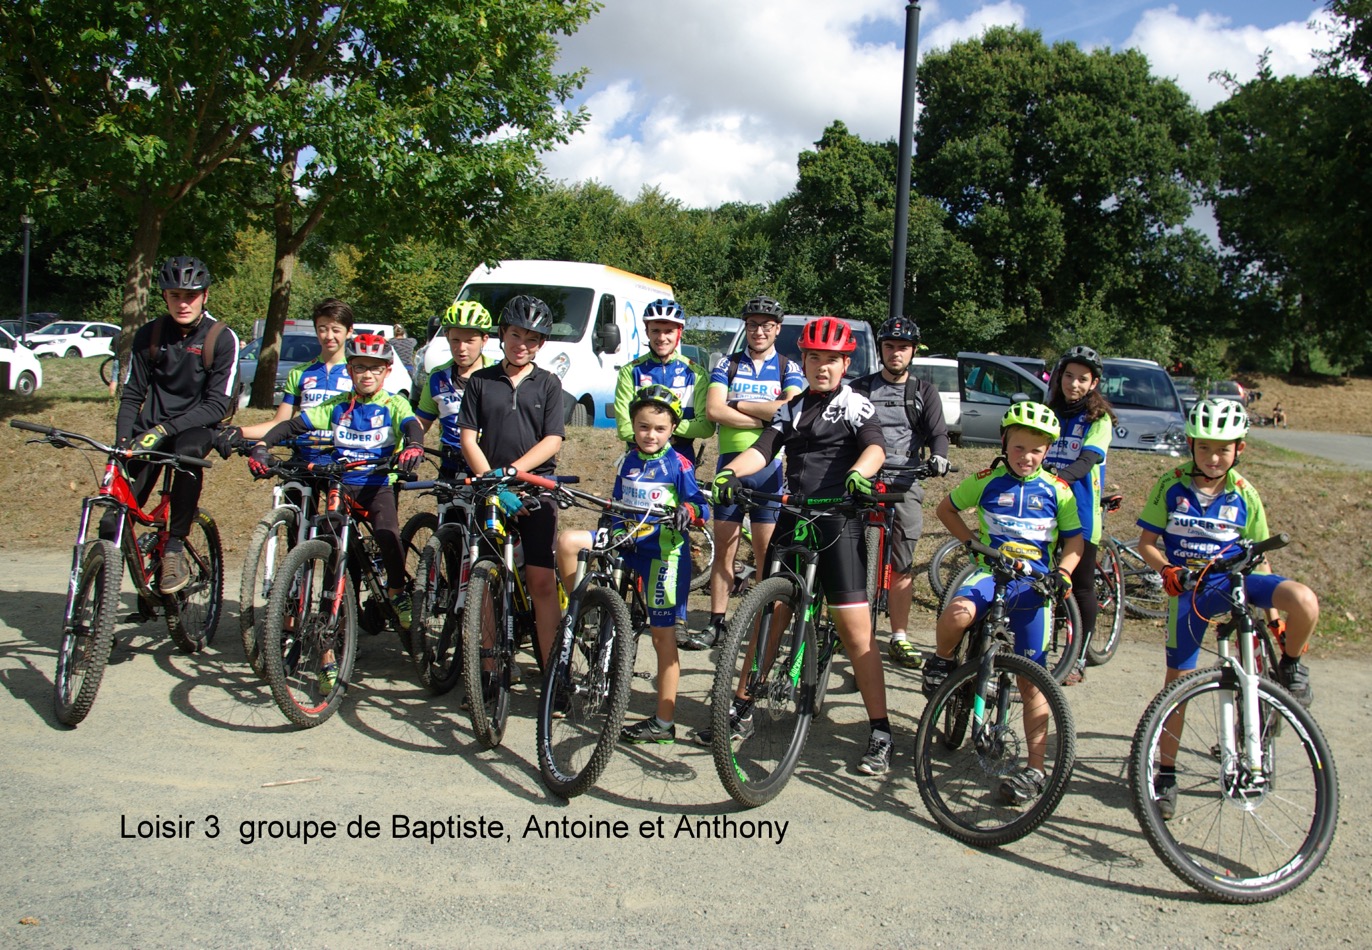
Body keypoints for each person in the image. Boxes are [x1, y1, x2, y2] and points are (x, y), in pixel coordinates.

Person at [706, 316, 894, 775]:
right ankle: (741, 705)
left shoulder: (855, 405)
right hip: (794, 517)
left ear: (845, 364)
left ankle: (880, 731)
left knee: (856, 633)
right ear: (803, 361)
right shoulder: (791, 406)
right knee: (769, 615)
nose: (822, 367)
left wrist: (860, 473)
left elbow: (875, 448)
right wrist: (730, 472)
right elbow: (764, 449)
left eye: (832, 360)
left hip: (837, 522)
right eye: (814, 358)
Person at [1136, 398, 1318, 819]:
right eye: (1204, 448)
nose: (1213, 457)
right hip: (1192, 588)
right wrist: (1166, 570)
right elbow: (1147, 543)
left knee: (1305, 601)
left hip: (1238, 581)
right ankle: (1166, 773)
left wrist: (1275, 621)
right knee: (1177, 685)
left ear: (1240, 449)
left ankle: (1290, 665)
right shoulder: (1170, 484)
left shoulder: (1245, 492)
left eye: (1223, 449)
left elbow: (1261, 556)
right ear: (1191, 446)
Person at [923, 401, 1084, 804]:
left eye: (1036, 450)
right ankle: (941, 661)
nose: (1026, 457)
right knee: (958, 613)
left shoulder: (1058, 490)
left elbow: (1075, 542)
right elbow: (946, 509)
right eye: (1018, 447)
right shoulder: (987, 479)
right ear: (1004, 443)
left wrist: (1064, 573)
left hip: (1033, 587)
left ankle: (1035, 769)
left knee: (1033, 682)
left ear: (1048, 451)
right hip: (990, 575)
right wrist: (970, 543)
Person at [555, 385, 710, 744]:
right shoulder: (627, 460)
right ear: (633, 426)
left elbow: (702, 508)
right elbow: (614, 505)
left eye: (659, 428)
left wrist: (688, 511)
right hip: (625, 543)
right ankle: (583, 609)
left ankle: (664, 723)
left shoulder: (679, 464)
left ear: (673, 428)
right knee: (568, 542)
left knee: (662, 639)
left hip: (662, 555)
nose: (650, 435)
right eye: (643, 427)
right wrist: (610, 530)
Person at [246, 333, 426, 641]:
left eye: (375, 368)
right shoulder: (337, 405)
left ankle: (397, 590)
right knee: (332, 542)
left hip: (377, 484)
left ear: (386, 371)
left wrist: (413, 445)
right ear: (349, 370)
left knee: (387, 534)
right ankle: (335, 610)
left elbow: (411, 425)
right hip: (340, 484)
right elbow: (293, 425)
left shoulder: (393, 403)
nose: (367, 374)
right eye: (360, 367)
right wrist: (263, 445)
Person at [107, 255, 240, 594]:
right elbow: (132, 395)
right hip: (150, 429)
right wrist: (123, 442)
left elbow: (217, 405)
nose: (183, 303)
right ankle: (103, 584)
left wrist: (165, 430)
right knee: (113, 518)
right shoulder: (149, 335)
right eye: (175, 295)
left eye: (191, 295)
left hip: (196, 427)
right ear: (164, 297)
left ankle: (175, 548)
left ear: (205, 296)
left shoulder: (221, 338)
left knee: (187, 453)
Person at [684, 295, 805, 651]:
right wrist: (766, 416)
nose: (759, 331)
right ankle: (717, 623)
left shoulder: (787, 366)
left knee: (767, 552)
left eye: (767, 326)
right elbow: (714, 411)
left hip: (769, 469)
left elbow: (792, 409)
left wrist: (738, 404)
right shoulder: (728, 363)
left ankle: (761, 622)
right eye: (753, 325)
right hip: (730, 467)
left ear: (777, 329)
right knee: (725, 549)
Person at [457, 295, 565, 668]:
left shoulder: (548, 383)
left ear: (541, 344)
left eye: (532, 339)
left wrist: (513, 473)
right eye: (516, 335)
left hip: (535, 488)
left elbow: (553, 439)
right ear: (503, 334)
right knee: (485, 580)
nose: (522, 344)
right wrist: (495, 482)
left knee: (541, 583)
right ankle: (489, 671)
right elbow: (468, 438)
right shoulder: (480, 381)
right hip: (491, 490)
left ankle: (553, 673)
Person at [849, 316, 951, 668]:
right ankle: (844, 628)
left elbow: (938, 433)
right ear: (880, 349)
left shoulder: (924, 392)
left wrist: (939, 456)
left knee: (902, 563)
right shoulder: (860, 388)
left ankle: (899, 636)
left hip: (905, 479)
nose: (896, 353)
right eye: (889, 346)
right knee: (847, 554)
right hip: (863, 477)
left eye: (903, 347)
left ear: (913, 351)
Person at [1043, 344, 1116, 684]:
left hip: (1082, 510)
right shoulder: (1049, 412)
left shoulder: (1098, 420)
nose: (1074, 384)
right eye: (1069, 376)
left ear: (1093, 383)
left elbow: (1087, 460)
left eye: (1082, 379)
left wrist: (1057, 478)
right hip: (1045, 508)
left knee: (1082, 586)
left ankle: (1080, 658)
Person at [220, 298, 356, 462]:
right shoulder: (299, 373)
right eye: (322, 329)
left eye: (336, 330)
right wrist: (239, 431)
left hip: (344, 463)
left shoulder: (358, 373)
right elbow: (279, 423)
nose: (329, 336)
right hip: (304, 460)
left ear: (349, 331)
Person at [612, 298, 713, 466]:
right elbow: (624, 429)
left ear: (679, 332)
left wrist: (653, 428)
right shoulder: (630, 371)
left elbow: (705, 428)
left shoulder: (696, 374)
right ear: (647, 332)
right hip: (639, 461)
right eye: (655, 331)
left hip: (680, 461)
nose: (661, 337)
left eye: (669, 331)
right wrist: (669, 432)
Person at [415, 300, 495, 478]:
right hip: (451, 466)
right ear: (447, 337)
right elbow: (422, 421)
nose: (461, 348)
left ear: (484, 340)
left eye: (470, 341)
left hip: (491, 466)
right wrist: (408, 443)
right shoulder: (438, 376)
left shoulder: (498, 374)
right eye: (455, 340)